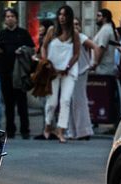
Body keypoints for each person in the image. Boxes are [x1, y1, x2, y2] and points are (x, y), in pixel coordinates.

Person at [40, 5, 80, 142]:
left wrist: (68, 66)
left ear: (69, 17)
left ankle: (61, 130)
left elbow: (76, 54)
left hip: (68, 71)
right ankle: (47, 126)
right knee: (51, 102)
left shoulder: (74, 33)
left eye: (65, 15)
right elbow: (43, 47)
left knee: (65, 100)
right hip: (52, 71)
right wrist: (46, 62)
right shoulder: (52, 30)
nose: (62, 17)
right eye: (60, 14)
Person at [0, 8, 33, 139]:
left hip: (19, 73)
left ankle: (25, 130)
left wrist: (23, 51)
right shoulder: (1, 35)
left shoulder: (23, 34)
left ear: (16, 18)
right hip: (5, 72)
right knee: (8, 104)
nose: (9, 18)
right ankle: (10, 130)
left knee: (22, 103)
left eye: (12, 16)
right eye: (7, 16)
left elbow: (32, 50)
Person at [66, 17, 98, 141]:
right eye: (73, 24)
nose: (75, 26)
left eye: (77, 24)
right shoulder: (69, 38)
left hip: (80, 72)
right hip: (70, 72)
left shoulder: (81, 37)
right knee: (71, 102)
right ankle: (73, 131)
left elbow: (95, 47)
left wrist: (93, 63)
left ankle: (83, 131)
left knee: (79, 101)